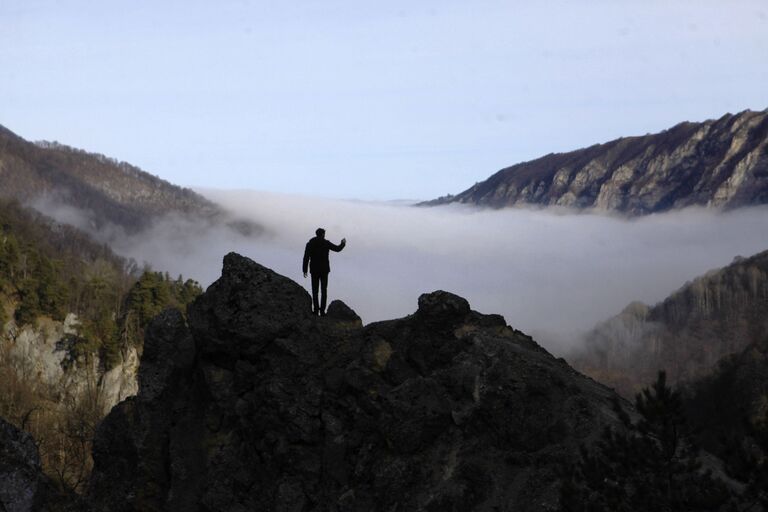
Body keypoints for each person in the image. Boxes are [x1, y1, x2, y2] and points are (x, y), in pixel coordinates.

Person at [302, 228, 346, 316]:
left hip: (314, 270)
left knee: (315, 291)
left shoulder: (310, 243)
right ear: (322, 234)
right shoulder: (326, 243)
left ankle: (315, 311)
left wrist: (305, 270)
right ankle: (322, 311)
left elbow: (306, 257)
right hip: (324, 270)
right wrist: (343, 243)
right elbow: (337, 249)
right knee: (324, 291)